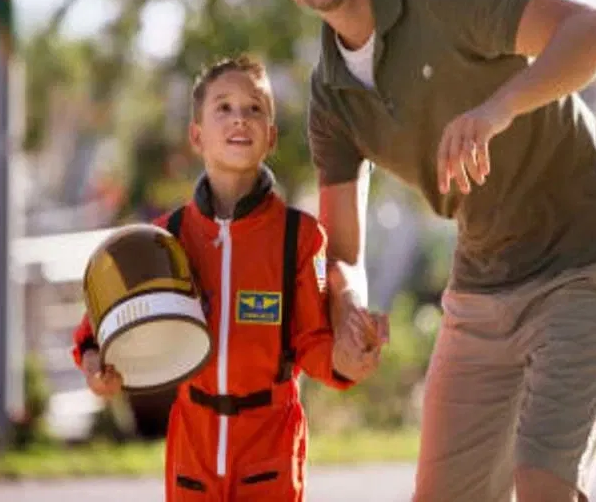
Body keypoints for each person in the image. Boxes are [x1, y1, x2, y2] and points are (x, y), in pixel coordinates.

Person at [256, 0, 596, 502]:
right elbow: (343, 250)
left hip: (588, 255)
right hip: (484, 278)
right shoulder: (330, 96)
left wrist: (496, 109)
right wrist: (347, 307)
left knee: (544, 486)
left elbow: (594, 32)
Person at [71, 55, 386, 501]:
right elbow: (97, 328)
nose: (240, 117)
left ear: (270, 136)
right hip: (192, 450)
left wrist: (346, 360)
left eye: (254, 108)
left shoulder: (299, 238)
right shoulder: (165, 238)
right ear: (197, 135)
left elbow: (312, 343)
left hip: (269, 448)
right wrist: (94, 367)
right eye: (224, 107)